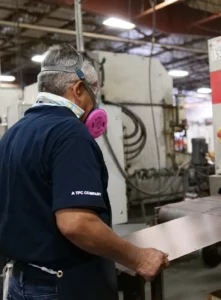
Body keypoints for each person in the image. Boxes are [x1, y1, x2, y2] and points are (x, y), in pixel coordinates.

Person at [0, 44, 169, 300]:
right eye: (94, 94)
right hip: (63, 287)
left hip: (20, 283)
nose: (95, 104)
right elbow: (77, 224)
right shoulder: (69, 133)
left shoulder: (13, 134)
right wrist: (138, 257)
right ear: (78, 89)